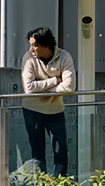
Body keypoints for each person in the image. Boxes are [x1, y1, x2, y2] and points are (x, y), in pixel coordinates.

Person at [19, 26, 76, 177]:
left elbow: (69, 86)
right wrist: (55, 81)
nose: (31, 49)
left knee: (60, 149)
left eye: (34, 45)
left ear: (45, 45)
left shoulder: (64, 56)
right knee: (37, 151)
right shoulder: (28, 58)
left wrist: (44, 92)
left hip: (55, 110)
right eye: (30, 45)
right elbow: (29, 88)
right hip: (32, 110)